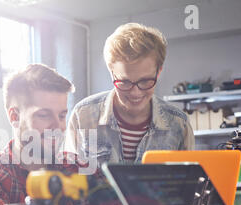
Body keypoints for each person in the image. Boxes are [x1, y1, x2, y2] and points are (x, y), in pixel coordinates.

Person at [0, 64, 131, 205]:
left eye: (61, 115)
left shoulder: (80, 167)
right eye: (44, 115)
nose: (58, 127)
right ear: (14, 116)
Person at [64, 23, 194, 165]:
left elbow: (189, 185)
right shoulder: (82, 116)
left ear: (159, 71)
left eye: (145, 81)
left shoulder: (179, 125)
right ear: (111, 73)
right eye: (125, 82)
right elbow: (70, 181)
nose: (135, 92)